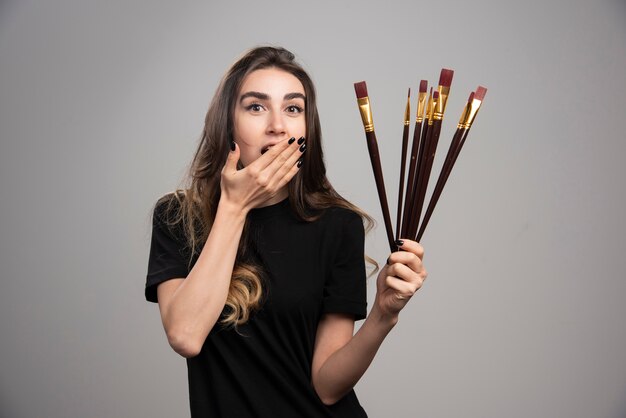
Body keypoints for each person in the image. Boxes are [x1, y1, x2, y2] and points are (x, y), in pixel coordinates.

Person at [145, 46, 428, 417]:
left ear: (306, 129)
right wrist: (235, 206)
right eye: (256, 107)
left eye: (293, 108)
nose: (278, 125)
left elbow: (327, 388)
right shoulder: (176, 216)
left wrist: (383, 315)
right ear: (227, 124)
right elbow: (185, 335)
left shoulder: (338, 225)